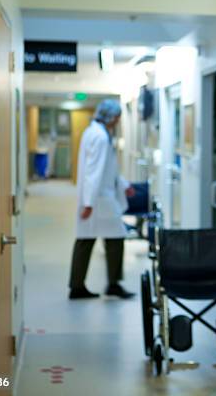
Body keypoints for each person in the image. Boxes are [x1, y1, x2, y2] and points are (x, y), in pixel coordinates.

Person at [68, 99, 136, 300]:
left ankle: (78, 285)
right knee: (115, 237)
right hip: (99, 199)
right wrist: (88, 203)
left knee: (87, 239)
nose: (117, 122)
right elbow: (93, 171)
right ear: (110, 117)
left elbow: (108, 169)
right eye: (116, 118)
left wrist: (123, 185)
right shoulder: (100, 137)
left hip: (99, 196)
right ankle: (111, 284)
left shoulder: (95, 132)